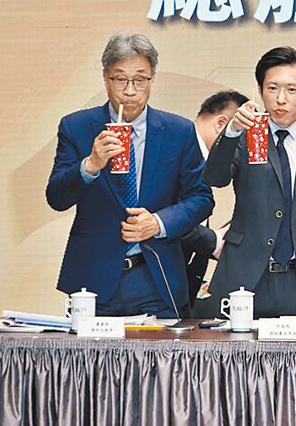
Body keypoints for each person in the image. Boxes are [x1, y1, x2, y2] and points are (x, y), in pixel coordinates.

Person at [46, 33, 214, 318]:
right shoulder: (76, 126)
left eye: (140, 80)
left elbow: (201, 198)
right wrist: (90, 165)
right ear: (105, 77)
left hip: (156, 277)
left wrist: (158, 223)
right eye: (120, 79)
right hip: (94, 278)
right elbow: (56, 198)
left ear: (152, 79)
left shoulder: (179, 131)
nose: (130, 91)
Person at [202, 47, 296, 318]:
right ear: (260, 90)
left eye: (291, 90)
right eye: (272, 88)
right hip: (244, 281)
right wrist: (232, 131)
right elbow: (215, 178)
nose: (281, 99)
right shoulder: (245, 137)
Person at [181, 90, 249, 307]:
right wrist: (213, 241)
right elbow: (162, 214)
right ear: (222, 124)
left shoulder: (202, 162)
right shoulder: (177, 151)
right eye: (241, 136)